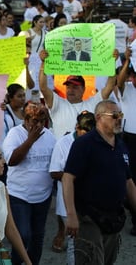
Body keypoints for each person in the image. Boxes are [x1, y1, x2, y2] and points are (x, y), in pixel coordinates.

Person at [63, 100, 136, 264]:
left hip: (113, 217)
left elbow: (129, 182)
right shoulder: (84, 144)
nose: (118, 119)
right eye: (114, 116)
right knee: (91, 259)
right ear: (99, 117)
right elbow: (67, 178)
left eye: (120, 115)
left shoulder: (121, 145)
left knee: (107, 260)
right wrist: (71, 214)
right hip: (89, 217)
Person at [2, 102, 56, 265]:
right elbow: (11, 161)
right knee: (23, 235)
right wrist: (30, 141)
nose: (38, 125)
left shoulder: (50, 136)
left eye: (42, 120)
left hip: (43, 196)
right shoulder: (15, 134)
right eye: (34, 120)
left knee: (37, 236)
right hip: (19, 195)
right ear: (25, 119)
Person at [49, 111, 95, 260]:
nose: (88, 135)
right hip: (67, 204)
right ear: (76, 127)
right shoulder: (63, 143)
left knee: (88, 243)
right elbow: (54, 172)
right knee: (74, 244)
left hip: (89, 203)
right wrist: (76, 176)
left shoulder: (95, 141)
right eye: (84, 132)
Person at [39, 50, 115, 139]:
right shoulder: (57, 103)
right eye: (68, 87)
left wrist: (112, 62)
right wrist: (43, 64)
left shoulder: (93, 102)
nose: (71, 90)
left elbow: (110, 87)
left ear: (83, 89)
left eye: (75, 87)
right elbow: (43, 87)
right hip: (63, 152)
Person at [116, 48, 136, 235]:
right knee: (131, 178)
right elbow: (119, 81)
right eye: (133, 75)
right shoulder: (126, 89)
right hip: (130, 139)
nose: (134, 79)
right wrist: (127, 62)